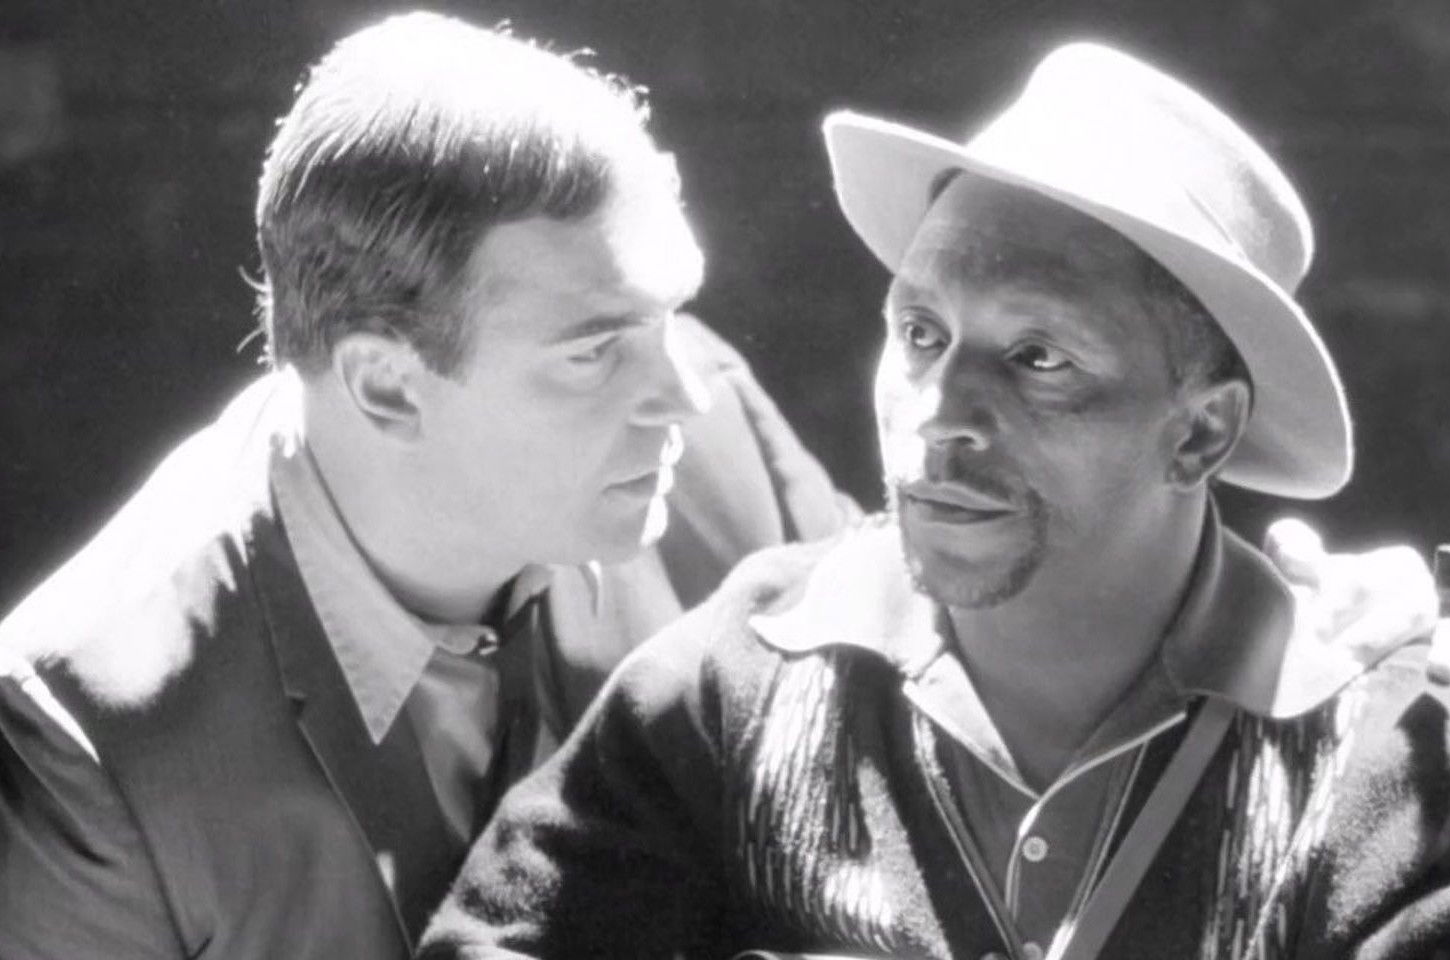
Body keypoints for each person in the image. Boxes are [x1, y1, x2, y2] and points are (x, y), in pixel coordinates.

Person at [419, 42, 1450, 960]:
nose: (937, 411)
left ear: (1200, 432)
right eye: (919, 333)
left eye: (1039, 358)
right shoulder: (739, 678)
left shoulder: (1414, 773)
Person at [0, 13, 846, 960]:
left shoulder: (720, 444)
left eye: (670, 316)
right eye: (596, 350)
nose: (686, 393)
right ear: (386, 386)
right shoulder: (87, 748)